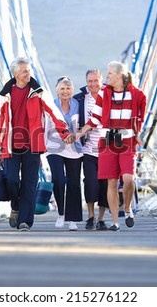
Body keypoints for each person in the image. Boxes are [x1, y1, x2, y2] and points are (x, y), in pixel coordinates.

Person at [0, 57, 72, 231]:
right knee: (11, 180)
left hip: (33, 144)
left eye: (29, 70)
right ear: (15, 74)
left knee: (29, 183)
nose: (28, 73)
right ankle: (15, 205)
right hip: (11, 145)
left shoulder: (38, 91)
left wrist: (63, 131)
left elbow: (53, 112)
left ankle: (25, 221)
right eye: (24, 71)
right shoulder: (6, 94)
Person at [76, 61, 146, 231]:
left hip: (127, 142)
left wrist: (138, 134)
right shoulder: (104, 94)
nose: (106, 77)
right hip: (107, 142)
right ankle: (115, 222)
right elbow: (95, 119)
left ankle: (128, 208)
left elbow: (140, 119)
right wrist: (79, 133)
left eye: (109, 74)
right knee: (112, 182)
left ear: (119, 76)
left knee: (129, 179)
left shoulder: (137, 95)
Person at [45, 76, 83, 231]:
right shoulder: (51, 105)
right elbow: (44, 125)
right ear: (57, 90)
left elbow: (87, 123)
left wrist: (76, 136)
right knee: (59, 179)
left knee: (74, 182)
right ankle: (61, 212)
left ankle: (72, 219)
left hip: (74, 148)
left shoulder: (78, 105)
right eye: (62, 88)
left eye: (68, 88)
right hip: (54, 146)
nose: (65, 91)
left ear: (72, 90)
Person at [73, 69, 108, 230]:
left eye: (96, 81)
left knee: (105, 185)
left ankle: (101, 219)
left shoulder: (110, 96)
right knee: (90, 182)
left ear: (101, 81)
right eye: (90, 81)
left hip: (107, 150)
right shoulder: (81, 99)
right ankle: (90, 217)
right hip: (88, 149)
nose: (93, 84)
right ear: (86, 82)